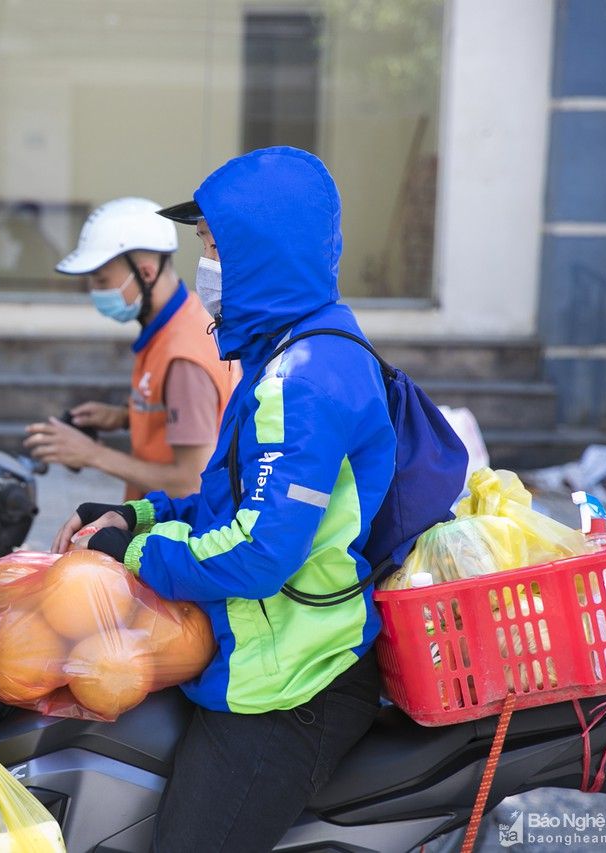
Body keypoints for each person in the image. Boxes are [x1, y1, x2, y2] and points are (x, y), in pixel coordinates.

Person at [54, 148, 395, 852]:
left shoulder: (302, 378)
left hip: (294, 682)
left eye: (213, 245)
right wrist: (134, 514)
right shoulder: (286, 351)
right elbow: (223, 499)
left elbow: (258, 553)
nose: (204, 263)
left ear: (263, 249)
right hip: (263, 654)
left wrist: (134, 551)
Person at [24, 197, 237, 500]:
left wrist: (92, 454)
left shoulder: (183, 358)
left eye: (101, 280)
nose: (95, 291)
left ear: (146, 274)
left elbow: (191, 484)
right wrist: (125, 416)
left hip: (174, 527)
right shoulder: (177, 322)